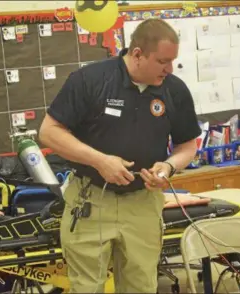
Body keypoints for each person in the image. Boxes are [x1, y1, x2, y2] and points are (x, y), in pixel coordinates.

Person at [39, 18, 200, 293]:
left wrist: (169, 167)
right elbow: (49, 132)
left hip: (143, 204)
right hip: (91, 201)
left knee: (141, 286)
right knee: (86, 288)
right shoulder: (90, 80)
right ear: (137, 54)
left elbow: (188, 145)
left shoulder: (174, 90)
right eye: (162, 61)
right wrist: (99, 161)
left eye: (172, 61)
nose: (169, 69)